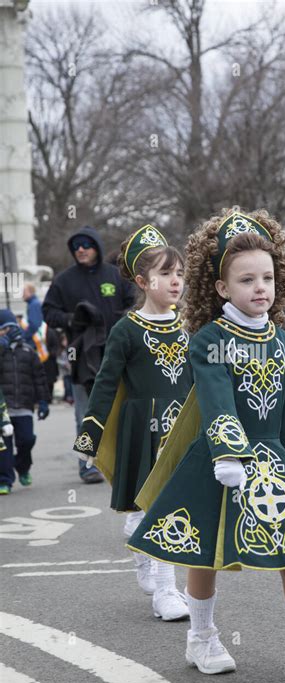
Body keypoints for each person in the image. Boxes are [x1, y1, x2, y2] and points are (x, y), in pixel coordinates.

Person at [127, 209, 285, 683]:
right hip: (218, 461)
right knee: (204, 555)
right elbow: (217, 397)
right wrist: (226, 453)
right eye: (246, 280)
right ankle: (201, 638)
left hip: (271, 462)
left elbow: (284, 410)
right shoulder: (209, 340)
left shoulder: (282, 340)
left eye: (267, 277)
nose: (259, 287)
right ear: (221, 289)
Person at [73, 225, 193, 620]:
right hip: (145, 428)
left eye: (179, 273)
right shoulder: (126, 329)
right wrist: (89, 436)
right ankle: (165, 591)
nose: (176, 281)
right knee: (156, 504)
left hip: (185, 429)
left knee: (177, 504)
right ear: (142, 281)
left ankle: (146, 552)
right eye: (165, 274)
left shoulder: (189, 325)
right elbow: (106, 384)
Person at [42, 225, 136, 483]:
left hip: (118, 352)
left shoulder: (116, 276)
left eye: (85, 244)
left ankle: (121, 462)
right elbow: (48, 312)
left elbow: (134, 302)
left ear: (96, 246)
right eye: (75, 247)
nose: (80, 250)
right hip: (81, 356)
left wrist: (123, 320)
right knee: (85, 412)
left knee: (121, 408)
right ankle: (87, 465)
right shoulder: (64, 280)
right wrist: (72, 319)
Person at [0, 309, 50, 494]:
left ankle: (22, 466)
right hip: (3, 410)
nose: (9, 332)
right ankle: (4, 479)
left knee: (27, 440)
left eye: (12, 327)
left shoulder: (28, 351)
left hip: (24, 406)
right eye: (4, 329)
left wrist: (43, 401)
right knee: (4, 448)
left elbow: (39, 377)